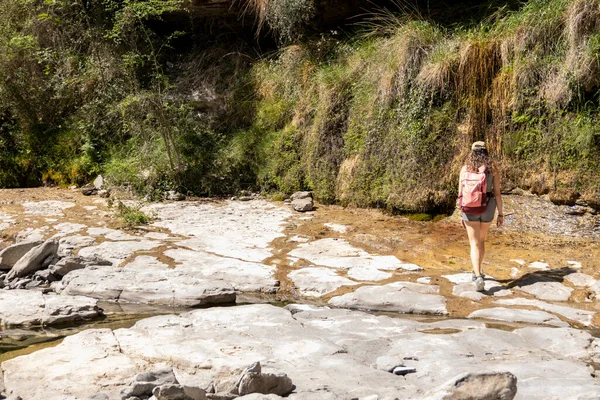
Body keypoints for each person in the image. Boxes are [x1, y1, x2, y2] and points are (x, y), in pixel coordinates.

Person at [458, 141, 504, 292]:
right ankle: (478, 272)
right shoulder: (492, 168)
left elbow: (460, 193)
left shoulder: (465, 168)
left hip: (469, 208)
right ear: (486, 152)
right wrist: (500, 213)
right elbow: (497, 193)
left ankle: (477, 275)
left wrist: (461, 212)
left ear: (472, 152)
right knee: (481, 240)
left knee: (473, 243)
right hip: (487, 207)